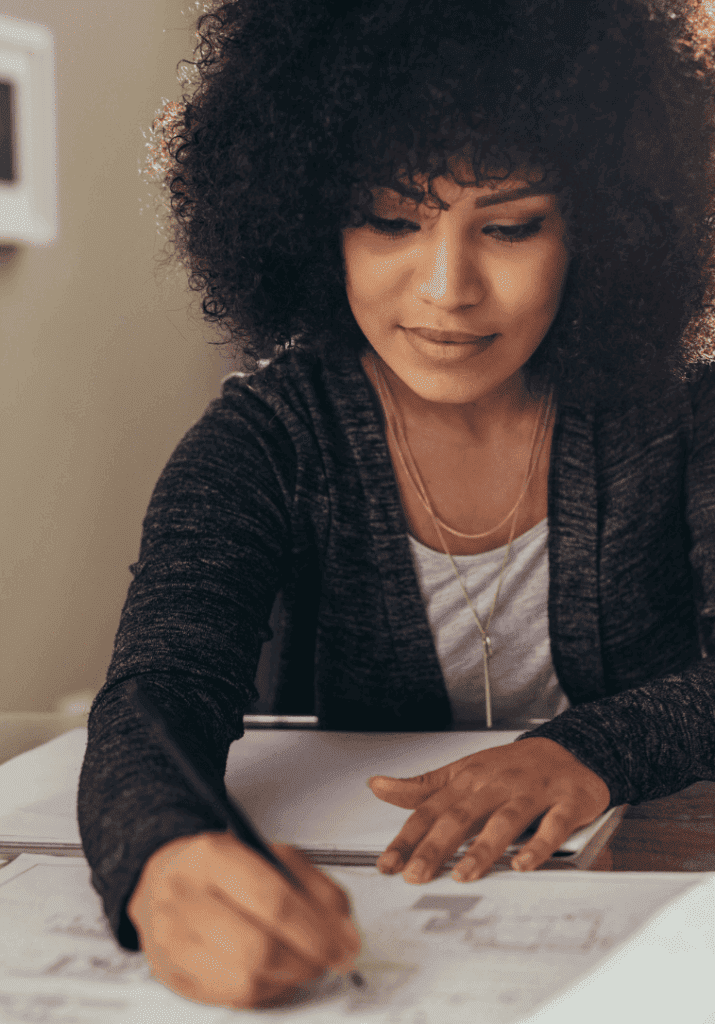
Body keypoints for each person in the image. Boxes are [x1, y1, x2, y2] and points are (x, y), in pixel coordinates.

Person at [78, 0, 715, 1010]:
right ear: (309, 219)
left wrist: (588, 749)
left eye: (507, 226)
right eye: (389, 220)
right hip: (392, 936)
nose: (447, 286)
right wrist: (162, 858)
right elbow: (158, 690)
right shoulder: (268, 438)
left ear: (599, 225)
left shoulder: (679, 414)